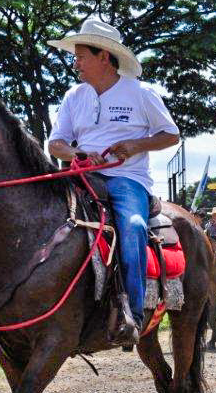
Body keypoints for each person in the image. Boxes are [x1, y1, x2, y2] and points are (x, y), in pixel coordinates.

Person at [47, 18, 181, 344]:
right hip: (79, 176)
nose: (75, 62)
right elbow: (55, 144)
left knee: (133, 226)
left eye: (81, 56)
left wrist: (137, 145)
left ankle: (131, 314)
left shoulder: (140, 93)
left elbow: (171, 134)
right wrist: (76, 152)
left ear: (104, 56)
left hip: (126, 178)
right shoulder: (74, 96)